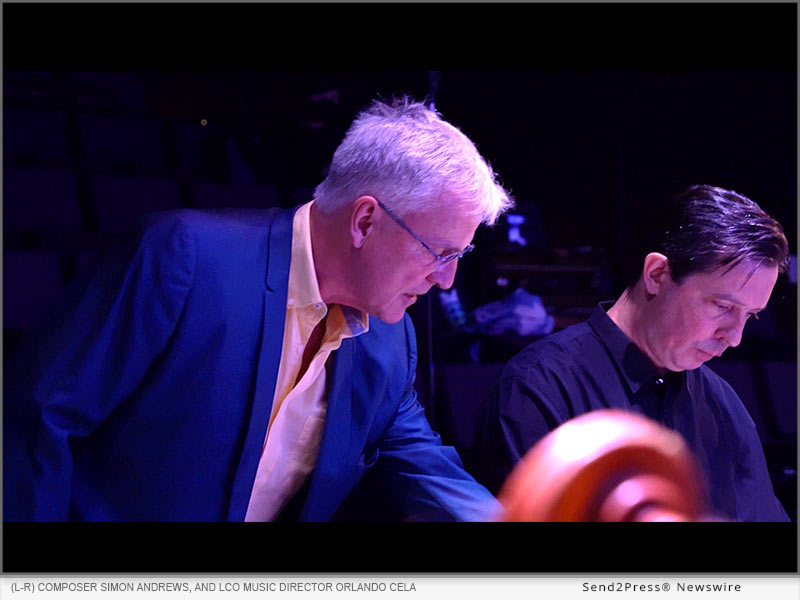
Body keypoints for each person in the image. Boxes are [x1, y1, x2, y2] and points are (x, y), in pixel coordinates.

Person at [4, 97, 513, 522]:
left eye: (458, 258)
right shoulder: (184, 259)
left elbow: (423, 466)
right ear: (364, 222)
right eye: (440, 252)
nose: (446, 280)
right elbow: (37, 422)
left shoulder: (390, 338)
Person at [471, 184, 790, 521]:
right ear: (657, 275)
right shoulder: (539, 387)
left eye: (751, 315)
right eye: (723, 306)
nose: (735, 337)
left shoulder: (723, 404)